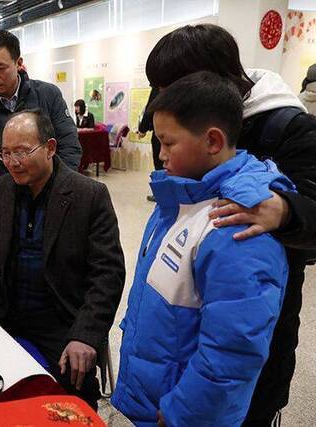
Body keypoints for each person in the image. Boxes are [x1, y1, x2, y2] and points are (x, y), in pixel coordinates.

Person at [145, 24, 316, 426]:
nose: (162, 99)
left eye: (169, 87)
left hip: (252, 303)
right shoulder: (177, 111)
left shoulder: (288, 127)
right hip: (182, 290)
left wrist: (286, 210)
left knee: (240, 398)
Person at [112, 71, 291, 426]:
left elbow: (233, 349)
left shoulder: (235, 222)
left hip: (183, 412)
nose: (160, 155)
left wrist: (184, 412)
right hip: (158, 393)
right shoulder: (181, 198)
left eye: (168, 142)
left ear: (212, 141)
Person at [0, 109, 125, 410]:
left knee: (73, 399)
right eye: (5, 153)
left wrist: (86, 336)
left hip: (58, 317)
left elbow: (108, 274)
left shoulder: (89, 196)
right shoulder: (0, 189)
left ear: (50, 148)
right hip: (2, 306)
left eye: (22, 152)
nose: (12, 162)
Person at [0, 30, 82, 196]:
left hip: (53, 194)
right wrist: (6, 198)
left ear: (18, 62)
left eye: (1, 68)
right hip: (5, 201)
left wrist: (54, 190)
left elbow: (69, 147)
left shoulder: (48, 95)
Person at [137, 87, 162, 202]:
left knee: (160, 163)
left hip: (161, 132)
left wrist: (142, 129)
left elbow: (150, 109)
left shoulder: (159, 87)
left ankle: (161, 194)